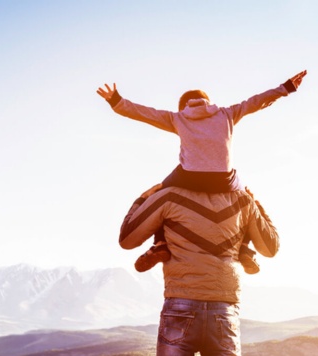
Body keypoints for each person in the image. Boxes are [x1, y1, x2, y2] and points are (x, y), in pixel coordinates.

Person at [118, 182, 280, 356]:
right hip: (224, 311)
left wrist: (144, 197)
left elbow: (127, 238)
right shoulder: (241, 199)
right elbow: (271, 247)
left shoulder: (169, 195)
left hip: (180, 307)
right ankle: (243, 251)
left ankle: (160, 245)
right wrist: (255, 202)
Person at [97, 70, 306, 275]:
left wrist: (115, 100)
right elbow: (256, 102)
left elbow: (143, 113)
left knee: (161, 192)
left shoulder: (178, 118)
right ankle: (244, 248)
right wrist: (285, 88)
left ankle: (160, 243)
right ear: (207, 102)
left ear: (183, 106)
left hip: (190, 177)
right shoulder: (227, 113)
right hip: (224, 180)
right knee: (245, 199)